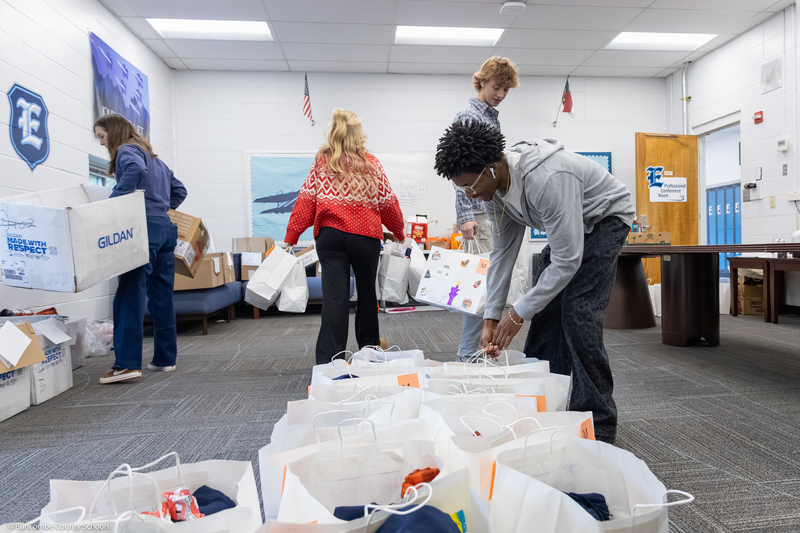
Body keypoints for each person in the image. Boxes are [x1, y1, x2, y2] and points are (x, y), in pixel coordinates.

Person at [433, 121, 634, 443]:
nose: (470, 195)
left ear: (491, 169)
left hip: (604, 219)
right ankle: (542, 404)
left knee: (578, 312)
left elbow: (568, 260)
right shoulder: (494, 190)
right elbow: (502, 252)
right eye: (463, 190)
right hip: (570, 226)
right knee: (546, 312)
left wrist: (517, 314)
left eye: (470, 186)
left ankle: (597, 422)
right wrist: (492, 315)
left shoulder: (548, 179)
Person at [285, 108, 406, 365]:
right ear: (359, 134)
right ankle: (369, 355)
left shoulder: (323, 160)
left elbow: (306, 199)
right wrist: (398, 230)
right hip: (365, 237)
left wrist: (292, 234)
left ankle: (330, 362)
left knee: (335, 299)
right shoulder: (371, 163)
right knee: (366, 295)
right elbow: (388, 202)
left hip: (331, 237)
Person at [93, 114, 187, 384]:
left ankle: (126, 365)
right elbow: (179, 191)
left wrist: (114, 203)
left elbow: (134, 171)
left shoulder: (127, 150)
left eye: (102, 136)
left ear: (113, 131)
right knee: (161, 296)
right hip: (165, 229)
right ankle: (164, 359)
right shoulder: (156, 158)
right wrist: (159, 210)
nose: (102, 143)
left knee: (128, 294)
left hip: (142, 229)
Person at [452, 56, 519, 362]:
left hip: (490, 209)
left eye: (506, 89)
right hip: (477, 213)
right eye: (496, 87)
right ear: (481, 82)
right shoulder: (470, 117)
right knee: (479, 287)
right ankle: (469, 354)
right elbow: (459, 170)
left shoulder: (491, 116)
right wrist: (465, 217)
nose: (501, 94)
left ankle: (477, 352)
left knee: (487, 286)